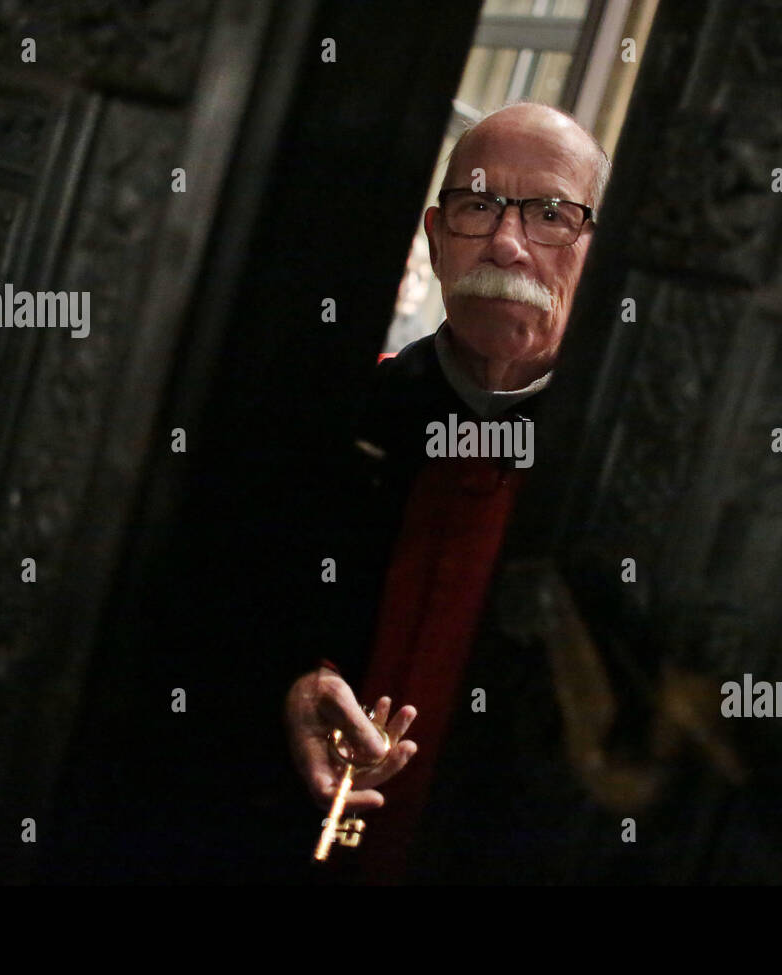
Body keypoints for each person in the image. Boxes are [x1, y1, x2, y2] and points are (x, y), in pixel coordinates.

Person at [283, 101, 610, 882]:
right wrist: (293, 678)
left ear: (599, 250)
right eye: (476, 206)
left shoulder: (619, 471)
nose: (507, 241)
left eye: (552, 215)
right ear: (435, 237)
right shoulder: (334, 417)